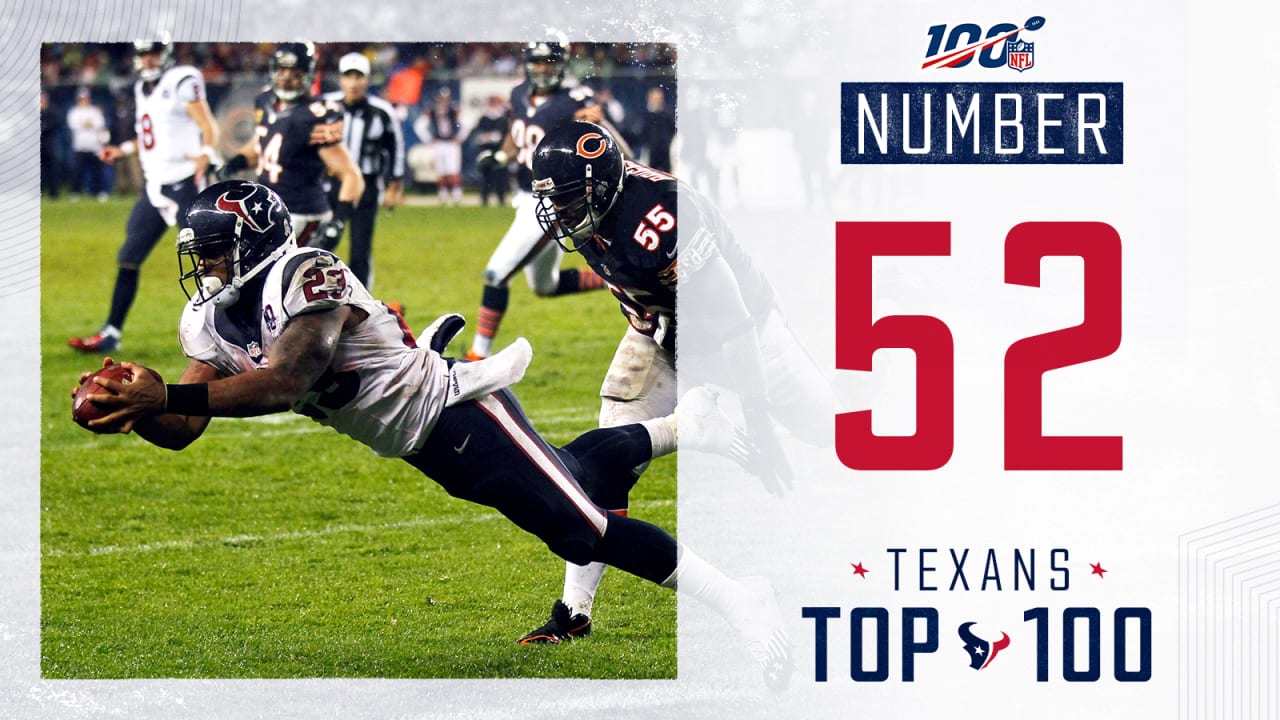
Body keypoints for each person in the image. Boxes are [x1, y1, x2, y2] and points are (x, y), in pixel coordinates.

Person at [74, 179, 791, 689]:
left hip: (457, 410)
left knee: (581, 530)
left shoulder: (307, 272)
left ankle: (741, 599)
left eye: (218, 252)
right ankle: (683, 426)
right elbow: (187, 424)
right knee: (566, 472)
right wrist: (136, 410)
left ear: (257, 241)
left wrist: (163, 390)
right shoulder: (208, 320)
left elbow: (291, 377)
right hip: (419, 441)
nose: (206, 268)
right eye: (201, 254)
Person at [518, 121, 831, 644]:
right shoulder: (598, 208)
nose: (562, 214)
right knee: (607, 457)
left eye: (571, 200)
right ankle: (574, 610)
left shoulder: (662, 216)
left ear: (601, 187)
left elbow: (730, 318)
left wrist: (756, 415)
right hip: (662, 328)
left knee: (829, 428)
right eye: (556, 201)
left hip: (745, 332)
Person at [463, 41, 625, 361]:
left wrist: (594, 119)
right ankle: (617, 277)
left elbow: (595, 129)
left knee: (496, 274)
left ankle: (476, 356)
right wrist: (499, 156)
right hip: (524, 198)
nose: (543, 69)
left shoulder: (574, 100)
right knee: (545, 286)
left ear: (561, 66)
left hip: (553, 201)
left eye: (550, 63)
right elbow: (517, 132)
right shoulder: (519, 93)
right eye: (537, 63)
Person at [69, 40, 219, 353]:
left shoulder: (181, 80)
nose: (148, 59)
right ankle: (112, 332)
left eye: (153, 52)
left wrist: (206, 152)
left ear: (164, 55)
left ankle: (232, 332)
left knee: (209, 264)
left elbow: (208, 124)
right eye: (143, 54)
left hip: (184, 183)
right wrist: (122, 150)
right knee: (128, 257)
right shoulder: (141, 89)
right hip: (154, 188)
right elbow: (150, 137)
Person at [217, 42, 364, 247]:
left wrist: (338, 221)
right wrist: (235, 163)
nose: (286, 78)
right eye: (282, 70)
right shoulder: (265, 100)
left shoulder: (315, 114)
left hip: (302, 215)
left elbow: (351, 175)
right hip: (267, 210)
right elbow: (263, 142)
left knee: (281, 276)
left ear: (309, 75)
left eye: (294, 72)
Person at [319, 52, 405, 289]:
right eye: (349, 76)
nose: (354, 83)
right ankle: (314, 295)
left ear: (367, 80)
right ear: (340, 79)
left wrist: (394, 186)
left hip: (366, 185)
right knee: (321, 244)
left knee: (360, 248)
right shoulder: (325, 106)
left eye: (359, 77)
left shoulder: (381, 111)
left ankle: (361, 302)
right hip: (329, 184)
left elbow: (395, 148)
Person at [413, 87, 463, 206]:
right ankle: (443, 193)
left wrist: (460, 137)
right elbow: (419, 126)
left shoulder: (453, 111)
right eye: (441, 99)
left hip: (451, 143)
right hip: (439, 143)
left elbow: (466, 123)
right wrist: (428, 138)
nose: (443, 101)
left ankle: (456, 193)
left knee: (453, 169)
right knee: (441, 169)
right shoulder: (433, 112)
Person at [65, 87, 110, 201]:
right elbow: (74, 125)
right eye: (81, 98)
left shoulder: (94, 111)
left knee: (97, 171)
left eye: (85, 98)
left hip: (94, 146)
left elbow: (99, 124)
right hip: (80, 146)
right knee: (77, 172)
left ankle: (99, 192)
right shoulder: (74, 111)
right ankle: (75, 193)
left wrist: (87, 124)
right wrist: (87, 124)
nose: (83, 100)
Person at [466, 95, 510, 207]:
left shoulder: (502, 119)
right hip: (486, 150)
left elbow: (503, 135)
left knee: (500, 176)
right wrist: (489, 137)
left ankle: (501, 198)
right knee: (486, 177)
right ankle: (485, 199)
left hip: (499, 150)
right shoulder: (483, 119)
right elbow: (478, 134)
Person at [640, 86, 676, 173]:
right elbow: (642, 133)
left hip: (665, 151)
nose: (657, 101)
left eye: (659, 98)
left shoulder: (667, 115)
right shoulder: (646, 115)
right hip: (651, 152)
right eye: (654, 98)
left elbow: (672, 129)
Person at [40, 90, 63, 199]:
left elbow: (56, 123)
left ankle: (53, 192)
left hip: (50, 144)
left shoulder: (52, 111)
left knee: (52, 169)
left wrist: (45, 127)